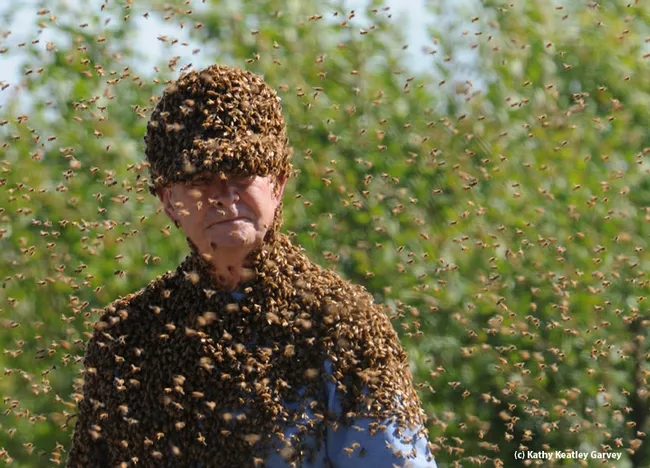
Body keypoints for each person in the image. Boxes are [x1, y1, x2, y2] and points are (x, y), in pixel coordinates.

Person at [67, 64, 437, 467]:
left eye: (242, 172)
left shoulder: (342, 326)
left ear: (278, 183)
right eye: (201, 176)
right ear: (168, 199)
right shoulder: (125, 339)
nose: (225, 196)